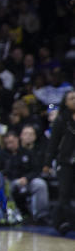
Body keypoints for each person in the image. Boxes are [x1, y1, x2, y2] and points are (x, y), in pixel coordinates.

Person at [0, 131, 48, 223]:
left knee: (40, 184)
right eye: (7, 143)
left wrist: (27, 178)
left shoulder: (27, 153)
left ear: (17, 139)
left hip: (26, 181)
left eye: (11, 142)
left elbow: (36, 170)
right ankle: (11, 215)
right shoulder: (1, 155)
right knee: (6, 187)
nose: (9, 145)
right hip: (9, 182)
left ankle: (40, 216)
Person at [47, 90, 75, 236]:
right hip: (65, 162)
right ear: (65, 102)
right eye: (72, 98)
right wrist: (47, 162)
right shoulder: (61, 120)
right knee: (64, 194)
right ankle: (61, 223)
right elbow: (53, 143)